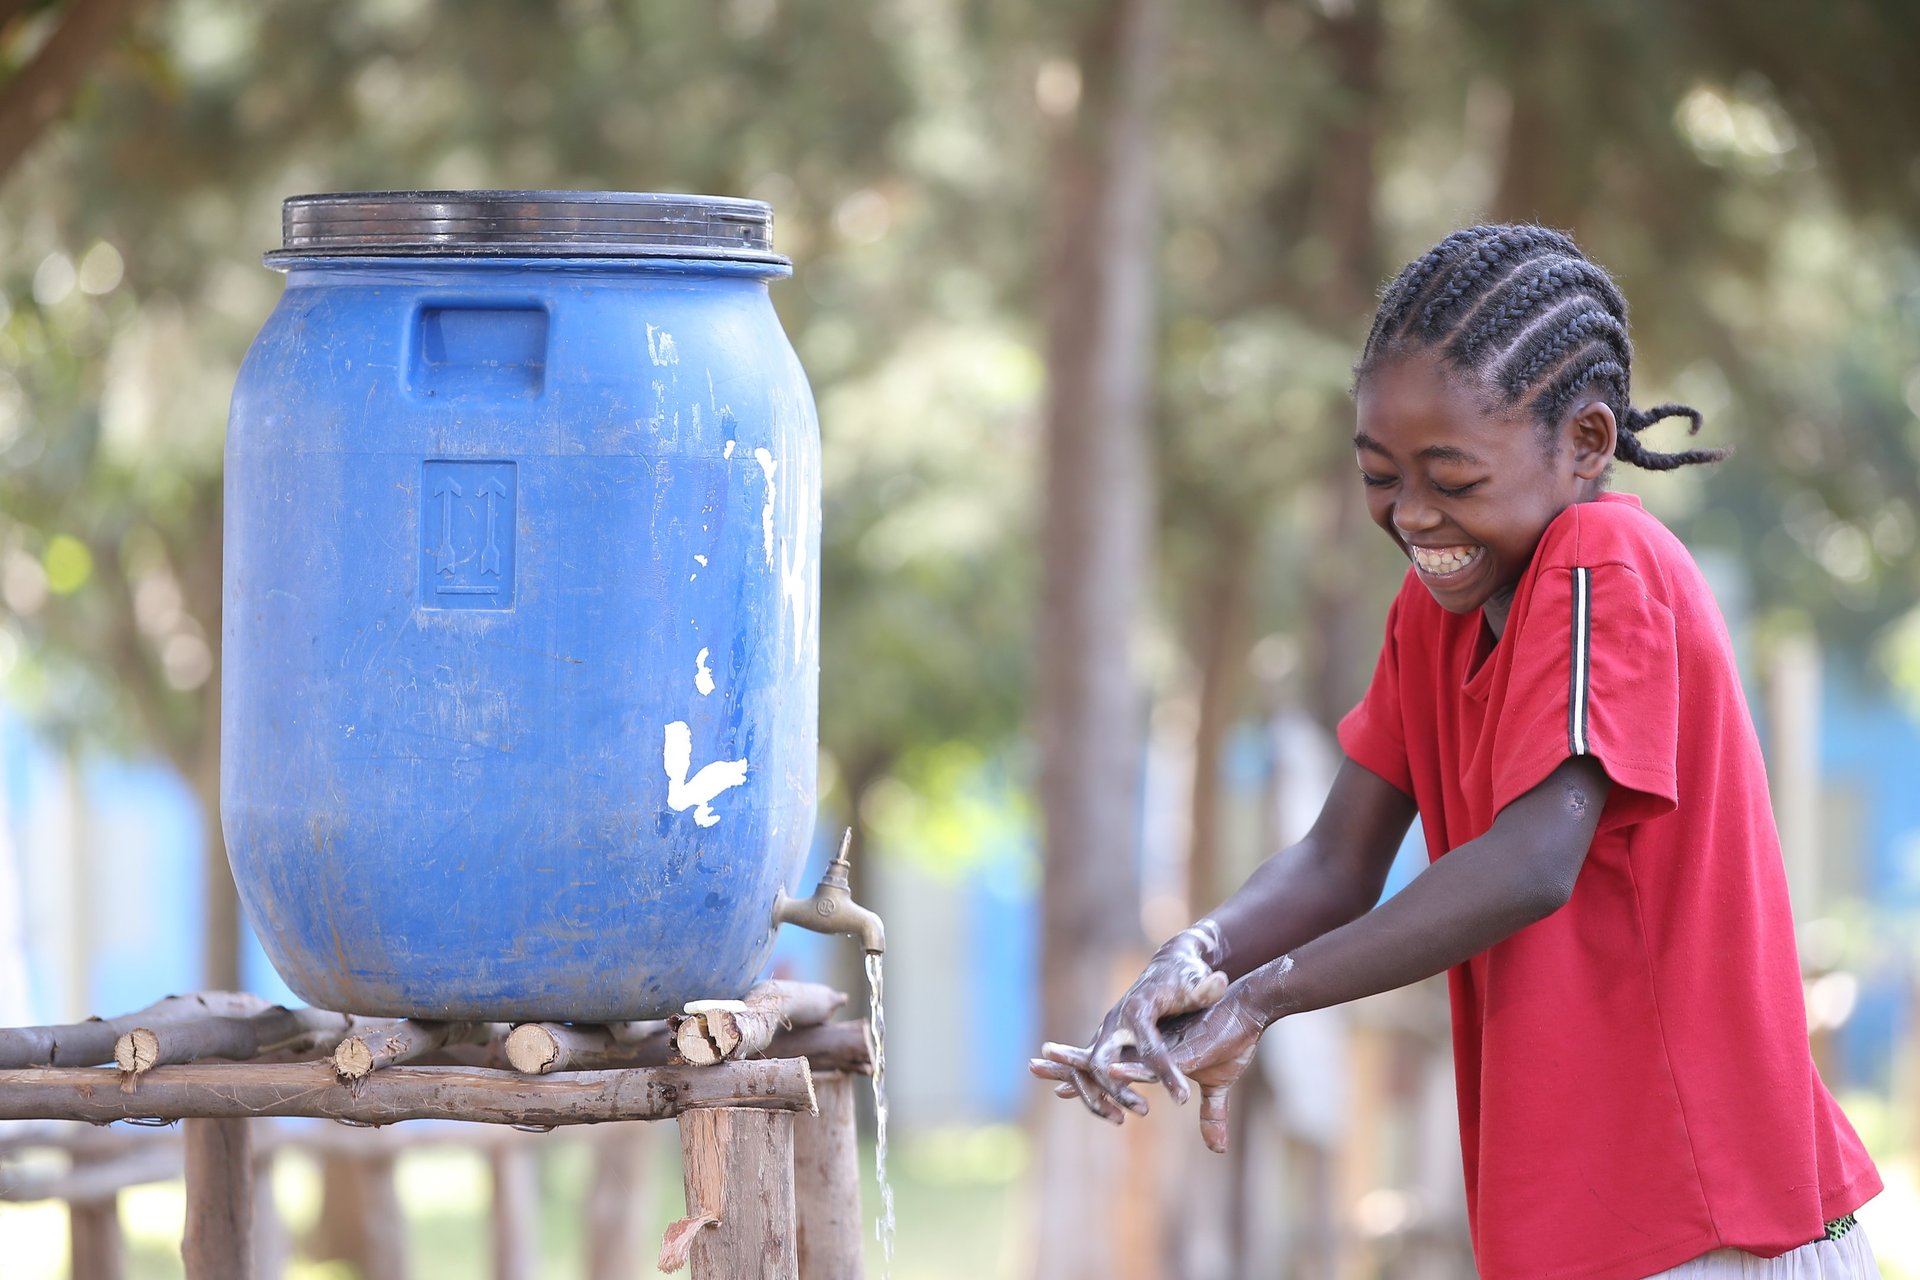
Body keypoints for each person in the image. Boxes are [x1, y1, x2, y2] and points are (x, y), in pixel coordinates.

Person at [1032, 224, 1882, 1279]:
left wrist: (1263, 996)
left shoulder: (1603, 558)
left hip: (1708, 1224)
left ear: (1584, 440)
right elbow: (1336, 858)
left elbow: (1533, 860)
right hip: (1600, 1236)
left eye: (1453, 476)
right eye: (1381, 474)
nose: (1413, 513)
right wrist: (1200, 958)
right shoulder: (1433, 614)